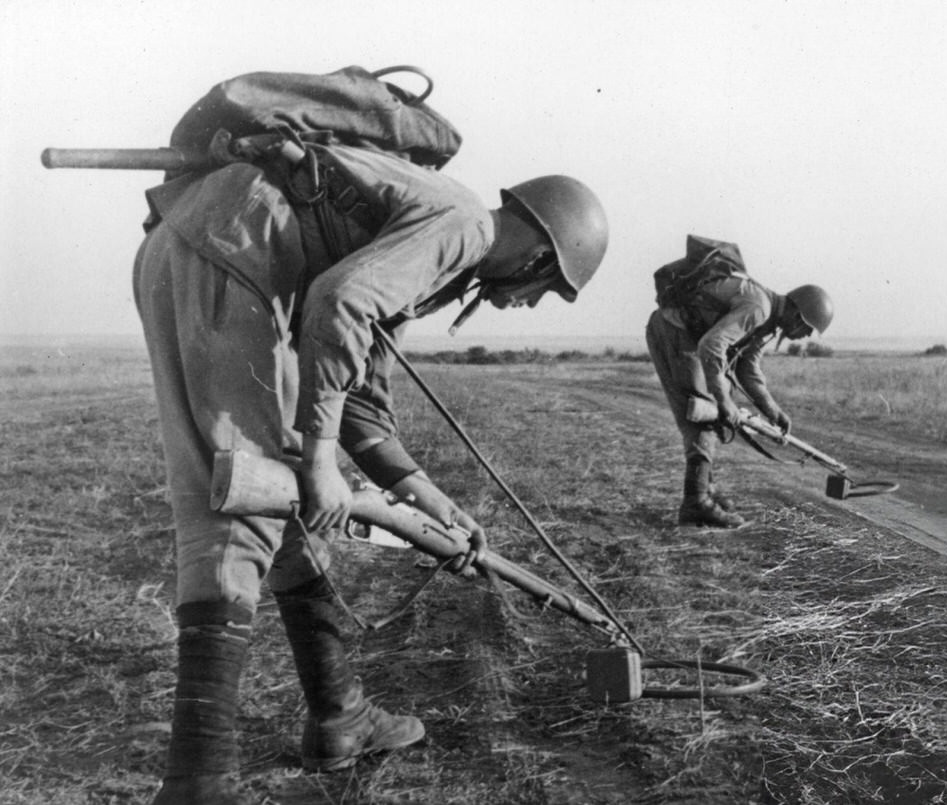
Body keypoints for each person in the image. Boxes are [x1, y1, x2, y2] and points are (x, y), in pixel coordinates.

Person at [134, 139, 608, 804]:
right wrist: (322, 459)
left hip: (211, 246)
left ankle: (339, 714)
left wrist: (431, 502)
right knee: (240, 509)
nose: (530, 304)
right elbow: (339, 303)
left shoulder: (440, 253)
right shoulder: (466, 226)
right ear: (535, 253)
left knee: (287, 498)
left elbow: (361, 405)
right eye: (545, 288)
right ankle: (199, 781)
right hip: (229, 246)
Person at [645, 235, 833, 529]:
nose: (805, 337)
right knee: (704, 413)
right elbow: (711, 346)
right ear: (797, 314)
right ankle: (696, 503)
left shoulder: (767, 322)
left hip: (684, 335)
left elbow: (748, 369)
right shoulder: (759, 307)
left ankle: (705, 489)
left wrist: (772, 410)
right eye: (807, 329)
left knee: (712, 413)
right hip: (673, 332)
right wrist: (725, 401)